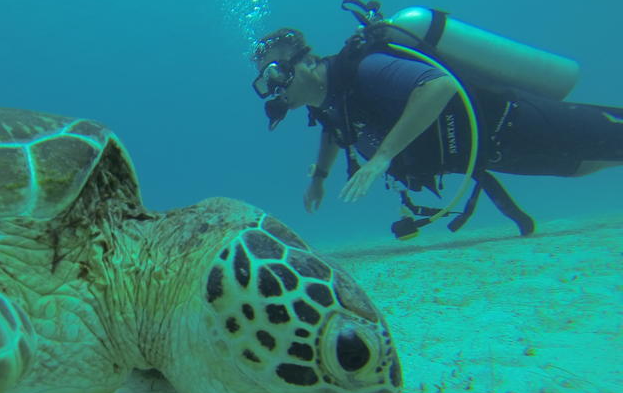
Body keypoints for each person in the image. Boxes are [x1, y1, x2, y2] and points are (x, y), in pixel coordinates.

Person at [250, 22, 623, 237]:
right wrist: (320, 177)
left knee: (609, 140)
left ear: (310, 61)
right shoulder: (332, 103)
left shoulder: (363, 69)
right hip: (488, 152)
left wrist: (381, 158)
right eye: (267, 81)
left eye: (276, 74)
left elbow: (438, 86)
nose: (276, 89)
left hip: (508, 120)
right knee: (583, 165)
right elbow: (335, 129)